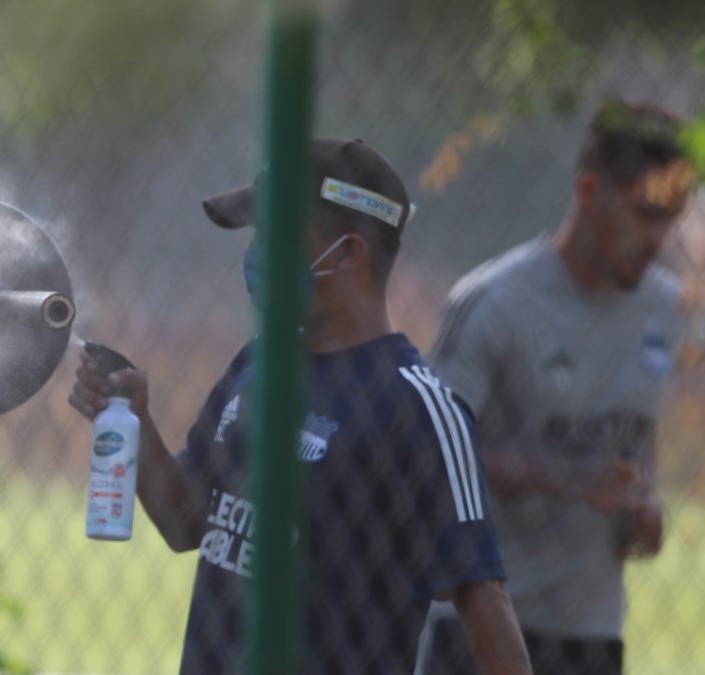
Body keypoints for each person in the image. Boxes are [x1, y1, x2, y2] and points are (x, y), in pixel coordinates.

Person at [68, 138, 532, 674]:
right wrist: (136, 420)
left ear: (351, 252)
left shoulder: (419, 408)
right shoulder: (257, 364)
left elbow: (486, 604)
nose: (259, 252)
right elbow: (184, 524)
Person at [421, 99, 695, 675]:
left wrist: (642, 509)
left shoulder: (667, 310)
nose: (658, 238)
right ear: (590, 192)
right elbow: (427, 455)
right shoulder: (494, 303)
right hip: (480, 626)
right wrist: (559, 476)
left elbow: (635, 435)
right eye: (645, 213)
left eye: (670, 218)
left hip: (590, 633)